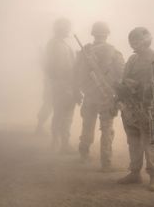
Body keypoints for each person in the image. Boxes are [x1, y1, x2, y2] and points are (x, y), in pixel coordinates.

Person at [117, 27, 154, 191]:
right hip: (131, 109)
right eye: (132, 41)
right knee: (133, 142)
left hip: (150, 111)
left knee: (151, 145)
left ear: (147, 40)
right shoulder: (132, 60)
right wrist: (121, 91)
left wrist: (140, 87)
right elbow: (124, 80)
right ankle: (134, 173)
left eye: (137, 41)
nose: (134, 44)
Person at [75, 21, 124, 172]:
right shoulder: (114, 53)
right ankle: (106, 162)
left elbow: (76, 74)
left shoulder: (84, 52)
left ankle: (84, 154)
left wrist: (80, 90)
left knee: (87, 126)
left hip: (90, 96)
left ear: (93, 34)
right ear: (107, 34)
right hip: (106, 97)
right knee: (107, 130)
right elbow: (121, 75)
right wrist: (118, 95)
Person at [44, 18, 81, 153]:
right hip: (63, 84)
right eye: (66, 27)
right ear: (61, 29)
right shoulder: (56, 45)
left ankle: (58, 142)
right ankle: (62, 144)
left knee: (61, 114)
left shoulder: (58, 44)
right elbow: (59, 67)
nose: (68, 30)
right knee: (64, 115)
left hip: (63, 84)